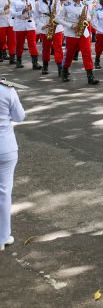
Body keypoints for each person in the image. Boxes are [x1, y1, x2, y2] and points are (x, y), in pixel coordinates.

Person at [55, 0, 99, 85]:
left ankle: (90, 76)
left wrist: (86, 19)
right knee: (69, 54)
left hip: (83, 32)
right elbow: (58, 19)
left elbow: (88, 17)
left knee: (87, 53)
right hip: (71, 33)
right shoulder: (66, 5)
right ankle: (65, 71)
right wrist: (70, 25)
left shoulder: (84, 4)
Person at [0, 77, 25, 252]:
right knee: (3, 192)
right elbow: (19, 116)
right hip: (5, 147)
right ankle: (2, 236)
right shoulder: (7, 89)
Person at [11, 0, 39, 70]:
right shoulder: (14, 1)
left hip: (30, 23)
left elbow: (35, 13)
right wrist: (22, 11)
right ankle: (18, 61)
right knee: (20, 44)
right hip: (19, 24)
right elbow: (13, 13)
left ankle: (35, 63)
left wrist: (31, 10)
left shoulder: (31, 0)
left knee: (32, 43)